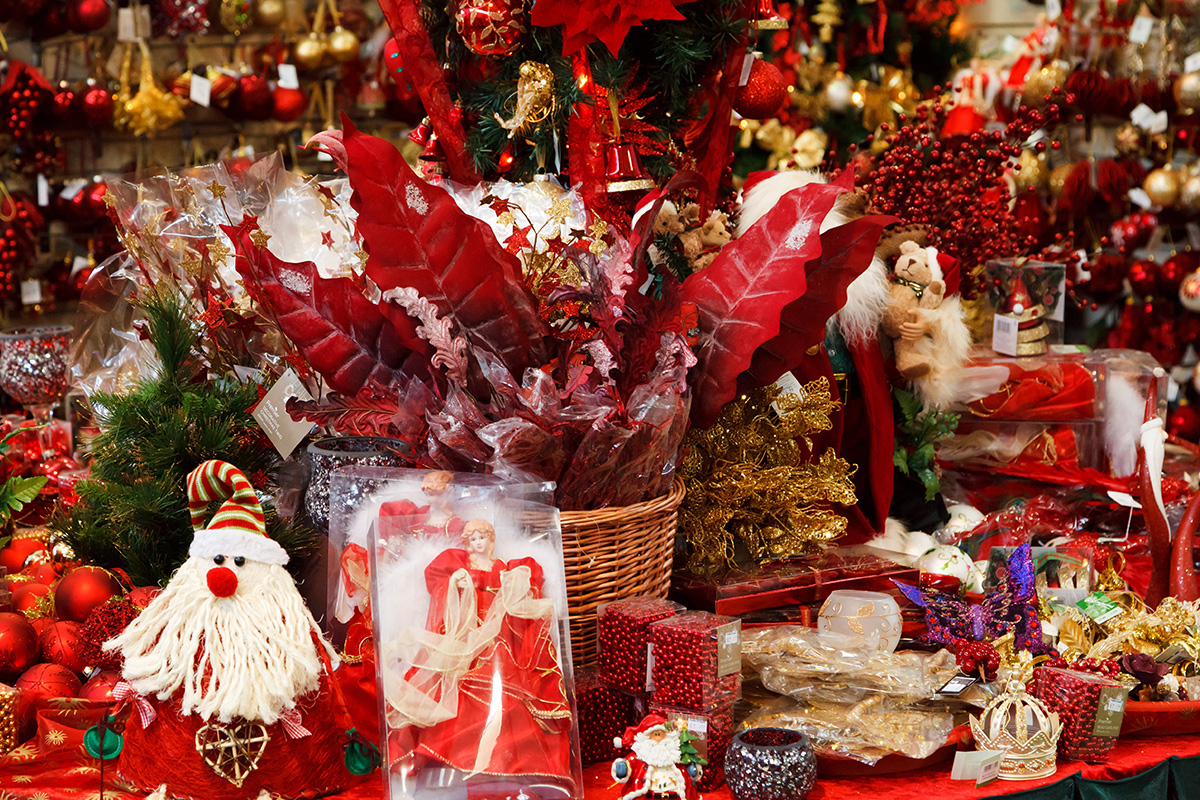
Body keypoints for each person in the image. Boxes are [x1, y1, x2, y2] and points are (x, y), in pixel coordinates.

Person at [105, 460, 357, 800]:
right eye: (218, 559)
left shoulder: (280, 622)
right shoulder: (187, 624)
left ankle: (281, 779)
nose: (224, 575)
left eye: (239, 561)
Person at [382, 518, 574, 789]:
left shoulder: (505, 568)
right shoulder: (458, 568)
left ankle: (510, 763)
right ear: (468, 544)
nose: (478, 543)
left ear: (491, 540)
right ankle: (451, 759)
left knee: (505, 683)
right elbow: (441, 588)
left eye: (483, 537)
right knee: (457, 684)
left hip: (501, 636)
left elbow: (522, 595)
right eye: (473, 539)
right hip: (467, 631)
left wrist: (511, 585)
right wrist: (456, 584)